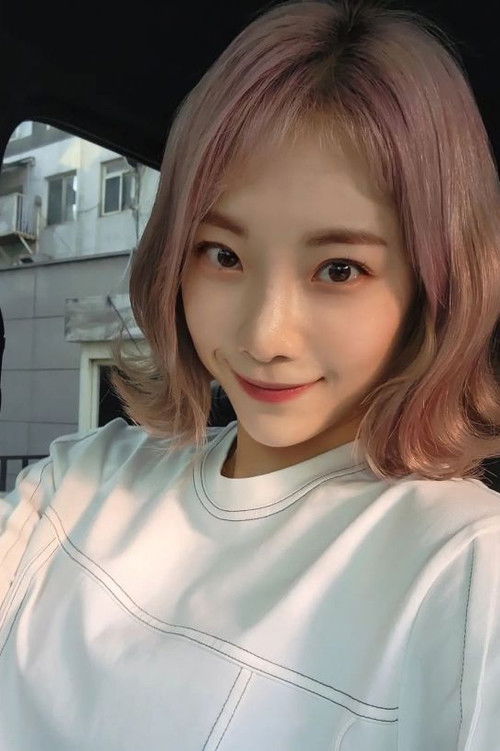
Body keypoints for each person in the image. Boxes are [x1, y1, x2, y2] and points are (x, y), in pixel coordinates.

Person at [1, 0, 499, 748]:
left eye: (340, 269)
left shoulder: (465, 568)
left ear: (436, 286)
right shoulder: (86, 478)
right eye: (224, 255)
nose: (266, 336)